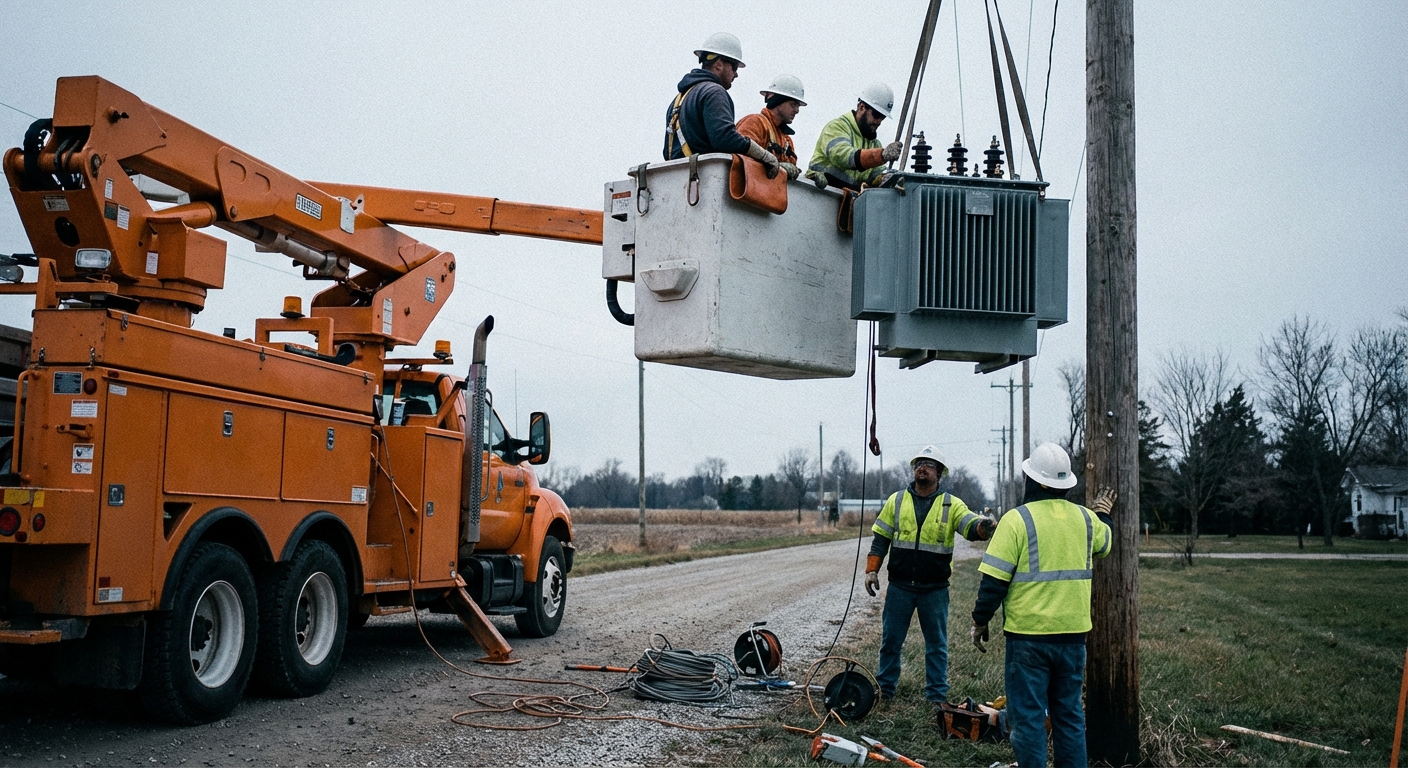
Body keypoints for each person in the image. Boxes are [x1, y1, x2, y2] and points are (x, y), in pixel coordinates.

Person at [969, 443, 1117, 768]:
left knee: (1028, 721)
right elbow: (1107, 541)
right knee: (1069, 716)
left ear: (1031, 480)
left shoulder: (1016, 520)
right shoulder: (1086, 519)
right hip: (1073, 639)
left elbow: (993, 582)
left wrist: (980, 620)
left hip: (1028, 639)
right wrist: (1102, 513)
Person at [865, 445, 994, 709]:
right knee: (890, 641)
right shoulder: (896, 501)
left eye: (929, 464)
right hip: (900, 587)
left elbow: (970, 526)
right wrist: (871, 570)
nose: (922, 468)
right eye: (919, 464)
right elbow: (880, 539)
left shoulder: (952, 504)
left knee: (936, 644)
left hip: (934, 589)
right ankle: (885, 688)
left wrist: (983, 526)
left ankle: (936, 694)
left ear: (940, 472)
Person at [663, 33, 780, 178]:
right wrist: (764, 155)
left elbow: (668, 151)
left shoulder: (678, 100)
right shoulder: (714, 92)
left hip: (676, 180)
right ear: (718, 64)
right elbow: (725, 138)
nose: (736, 74)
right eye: (734, 67)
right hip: (705, 181)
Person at [806, 82, 903, 190]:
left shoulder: (875, 145)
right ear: (861, 107)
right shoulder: (836, 127)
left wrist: (887, 178)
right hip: (816, 193)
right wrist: (881, 155)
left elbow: (876, 174)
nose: (879, 121)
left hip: (844, 198)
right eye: (876, 115)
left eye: (882, 117)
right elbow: (843, 156)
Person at [736, 74, 806, 181]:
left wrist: (807, 177)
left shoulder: (787, 141)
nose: (797, 110)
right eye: (793, 104)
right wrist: (771, 165)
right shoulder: (755, 123)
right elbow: (740, 158)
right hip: (748, 188)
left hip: (770, 191)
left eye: (798, 106)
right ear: (778, 101)